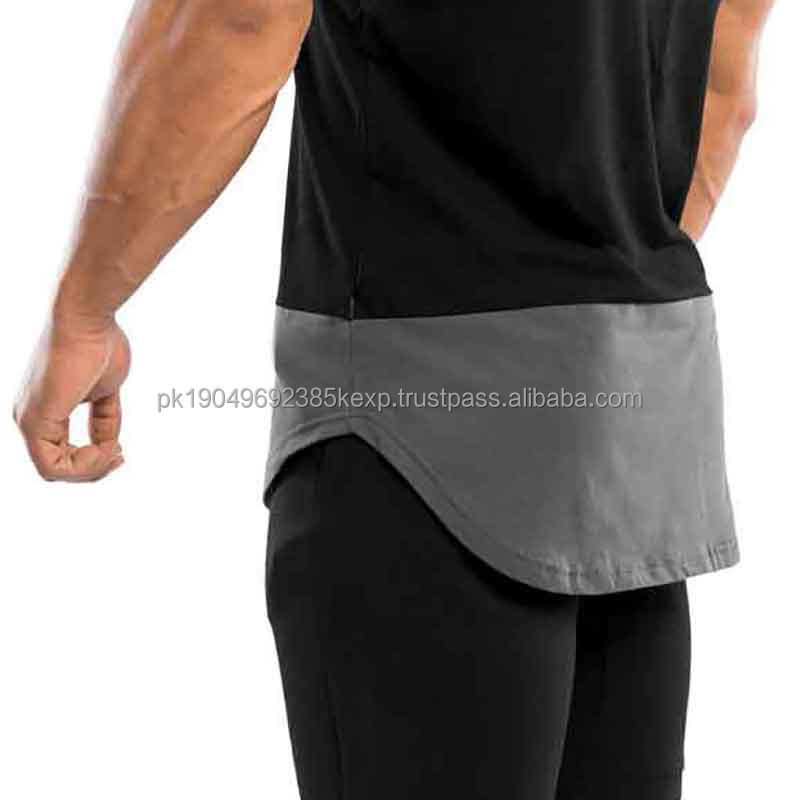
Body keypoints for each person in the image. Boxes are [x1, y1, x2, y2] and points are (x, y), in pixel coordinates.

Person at [14, 0, 774, 797]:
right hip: (641, 417)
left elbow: (236, 16)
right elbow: (726, 79)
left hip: (414, 427)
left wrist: (83, 312)